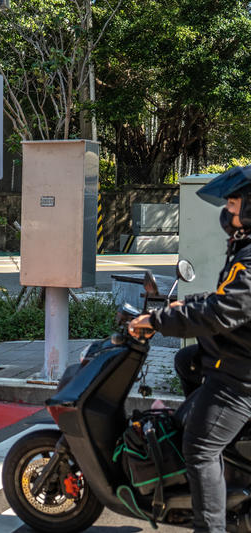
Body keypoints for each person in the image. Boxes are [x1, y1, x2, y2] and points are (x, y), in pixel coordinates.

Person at [128, 165, 251, 533]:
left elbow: (225, 311)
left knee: (199, 449)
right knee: (185, 360)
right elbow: (223, 299)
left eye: (232, 201)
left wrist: (158, 321)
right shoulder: (244, 247)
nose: (226, 210)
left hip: (240, 375)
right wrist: (183, 305)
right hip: (230, 356)